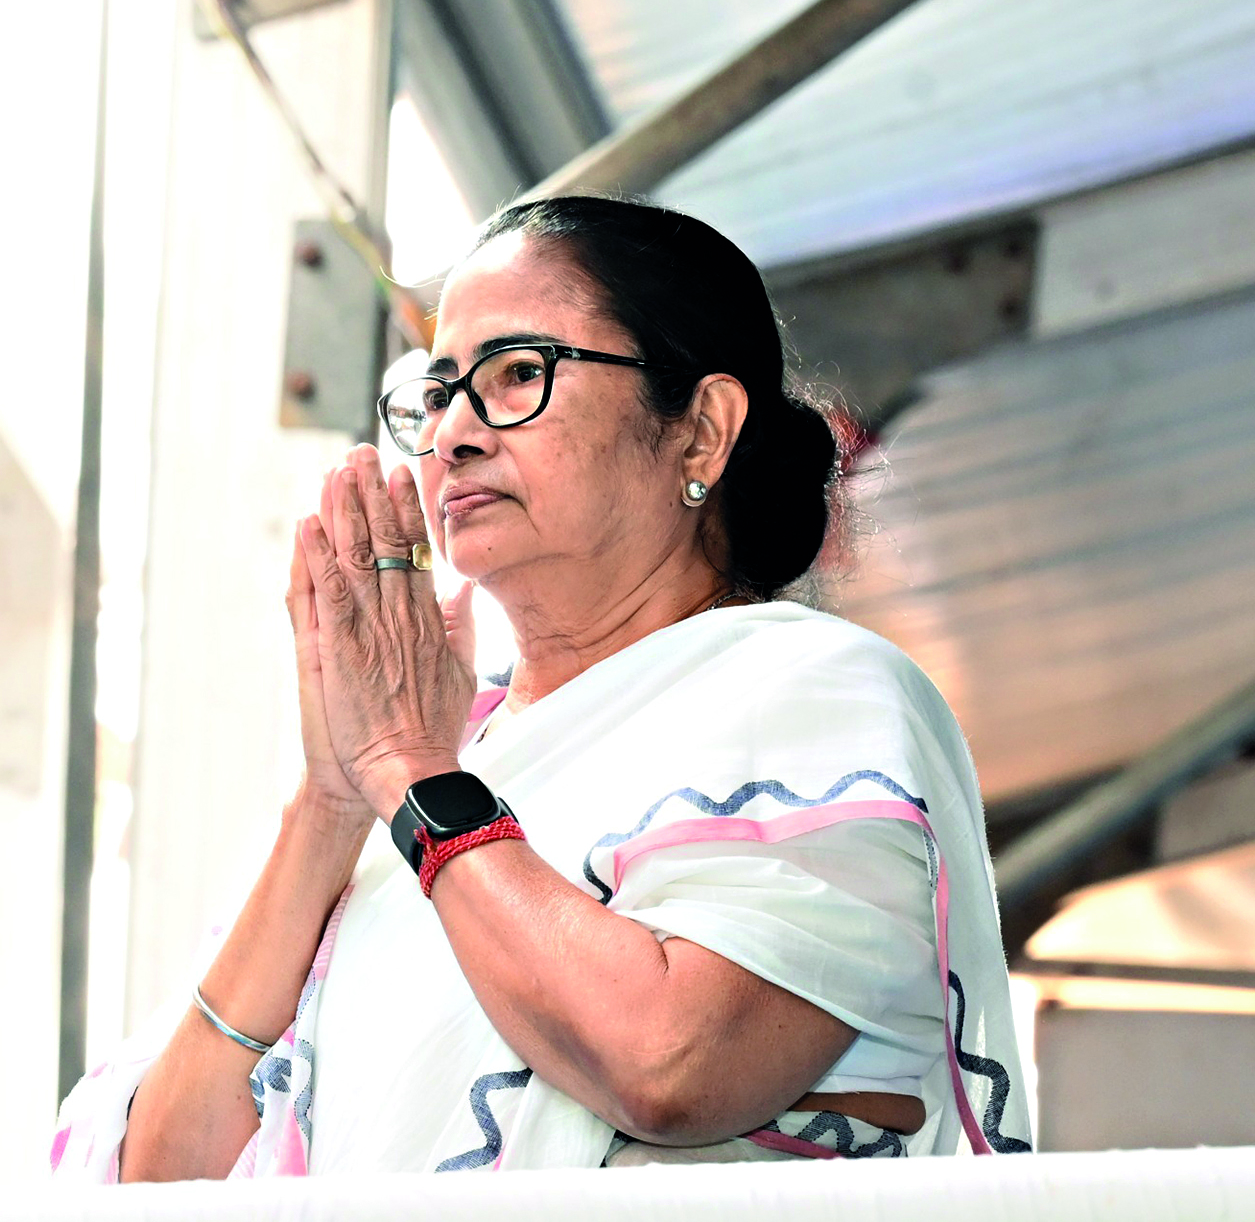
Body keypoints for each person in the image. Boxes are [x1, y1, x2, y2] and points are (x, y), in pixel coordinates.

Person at [51, 195, 1032, 1180]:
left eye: (518, 372)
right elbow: (156, 1184)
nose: (452, 434)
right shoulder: (428, 759)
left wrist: (411, 778)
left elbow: (670, 1062)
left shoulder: (816, 693)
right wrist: (331, 806)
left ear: (700, 431)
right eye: (436, 393)